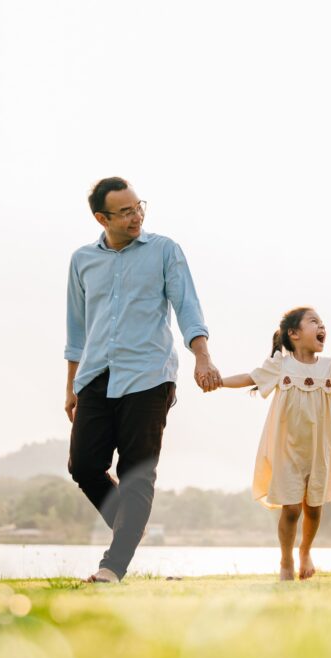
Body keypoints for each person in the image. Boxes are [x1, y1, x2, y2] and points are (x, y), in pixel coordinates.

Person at [64, 177, 221, 584]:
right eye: (126, 212)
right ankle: (130, 521)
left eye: (139, 207)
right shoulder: (82, 260)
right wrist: (71, 385)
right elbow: (76, 330)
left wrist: (201, 357)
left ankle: (112, 566)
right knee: (83, 465)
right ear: (102, 218)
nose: (137, 217)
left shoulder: (164, 250)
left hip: (150, 376)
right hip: (96, 374)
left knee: (136, 473)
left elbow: (188, 307)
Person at [220, 307, 331, 581]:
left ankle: (305, 550)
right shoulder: (280, 365)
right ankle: (286, 560)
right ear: (293, 333)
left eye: (323, 323)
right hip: (286, 450)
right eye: (314, 322)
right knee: (291, 509)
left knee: (314, 509)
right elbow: (249, 378)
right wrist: (218, 382)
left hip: (318, 451)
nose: (322, 327)